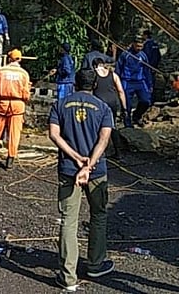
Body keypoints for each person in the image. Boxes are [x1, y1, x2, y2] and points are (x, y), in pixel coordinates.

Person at [48, 69, 115, 291]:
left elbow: (54, 135)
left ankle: (68, 277)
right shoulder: (103, 108)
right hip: (96, 171)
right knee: (99, 215)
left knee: (69, 219)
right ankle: (95, 264)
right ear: (95, 84)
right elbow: (104, 139)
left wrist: (76, 158)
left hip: (68, 169)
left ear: (75, 84)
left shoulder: (60, 105)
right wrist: (89, 164)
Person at [0, 49, 30, 169]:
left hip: (3, 103)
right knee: (14, 133)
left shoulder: (1, 71)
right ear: (19, 59)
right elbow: (26, 95)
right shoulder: (24, 73)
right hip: (18, 105)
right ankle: (10, 160)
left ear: (9, 58)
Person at [92, 57, 126, 158]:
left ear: (94, 66)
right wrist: (124, 107)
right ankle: (118, 152)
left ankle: (100, 151)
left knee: (98, 127)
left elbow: (91, 88)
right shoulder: (113, 75)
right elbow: (120, 91)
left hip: (99, 103)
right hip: (112, 102)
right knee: (112, 126)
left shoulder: (94, 75)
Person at [116, 40, 151, 127]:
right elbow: (118, 69)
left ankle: (137, 116)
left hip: (140, 81)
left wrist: (149, 84)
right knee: (127, 104)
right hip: (127, 81)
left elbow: (147, 70)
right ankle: (127, 123)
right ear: (133, 44)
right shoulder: (125, 55)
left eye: (141, 46)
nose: (139, 48)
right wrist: (117, 82)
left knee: (146, 101)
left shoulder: (143, 56)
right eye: (137, 46)